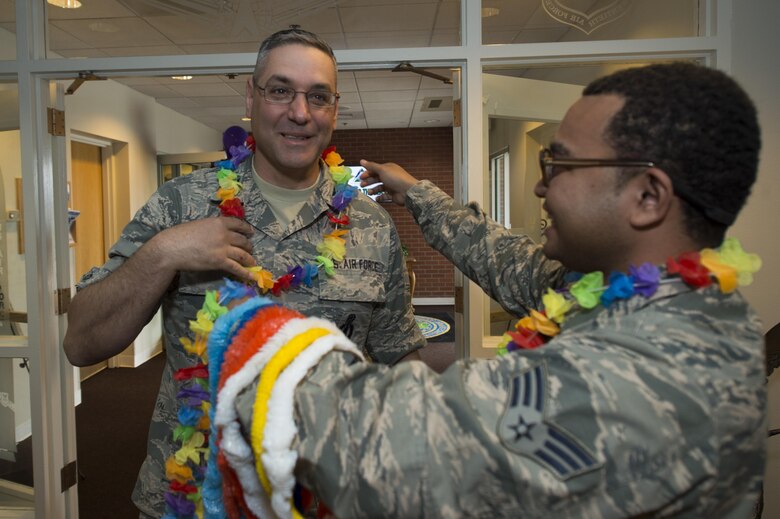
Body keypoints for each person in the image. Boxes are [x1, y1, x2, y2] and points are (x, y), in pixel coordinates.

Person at [215, 62, 766, 517]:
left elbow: (377, 447)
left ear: (648, 197)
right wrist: (418, 195)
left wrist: (251, 326)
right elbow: (510, 263)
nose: (539, 183)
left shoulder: (650, 379)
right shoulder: (635, 295)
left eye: (561, 162)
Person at [62, 28, 424, 518]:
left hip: (322, 496)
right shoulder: (182, 204)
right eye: (280, 91)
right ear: (252, 98)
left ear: (334, 110)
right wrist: (164, 252)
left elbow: (398, 361)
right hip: (194, 497)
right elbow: (82, 342)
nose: (300, 112)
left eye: (318, 96)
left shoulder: (372, 225)